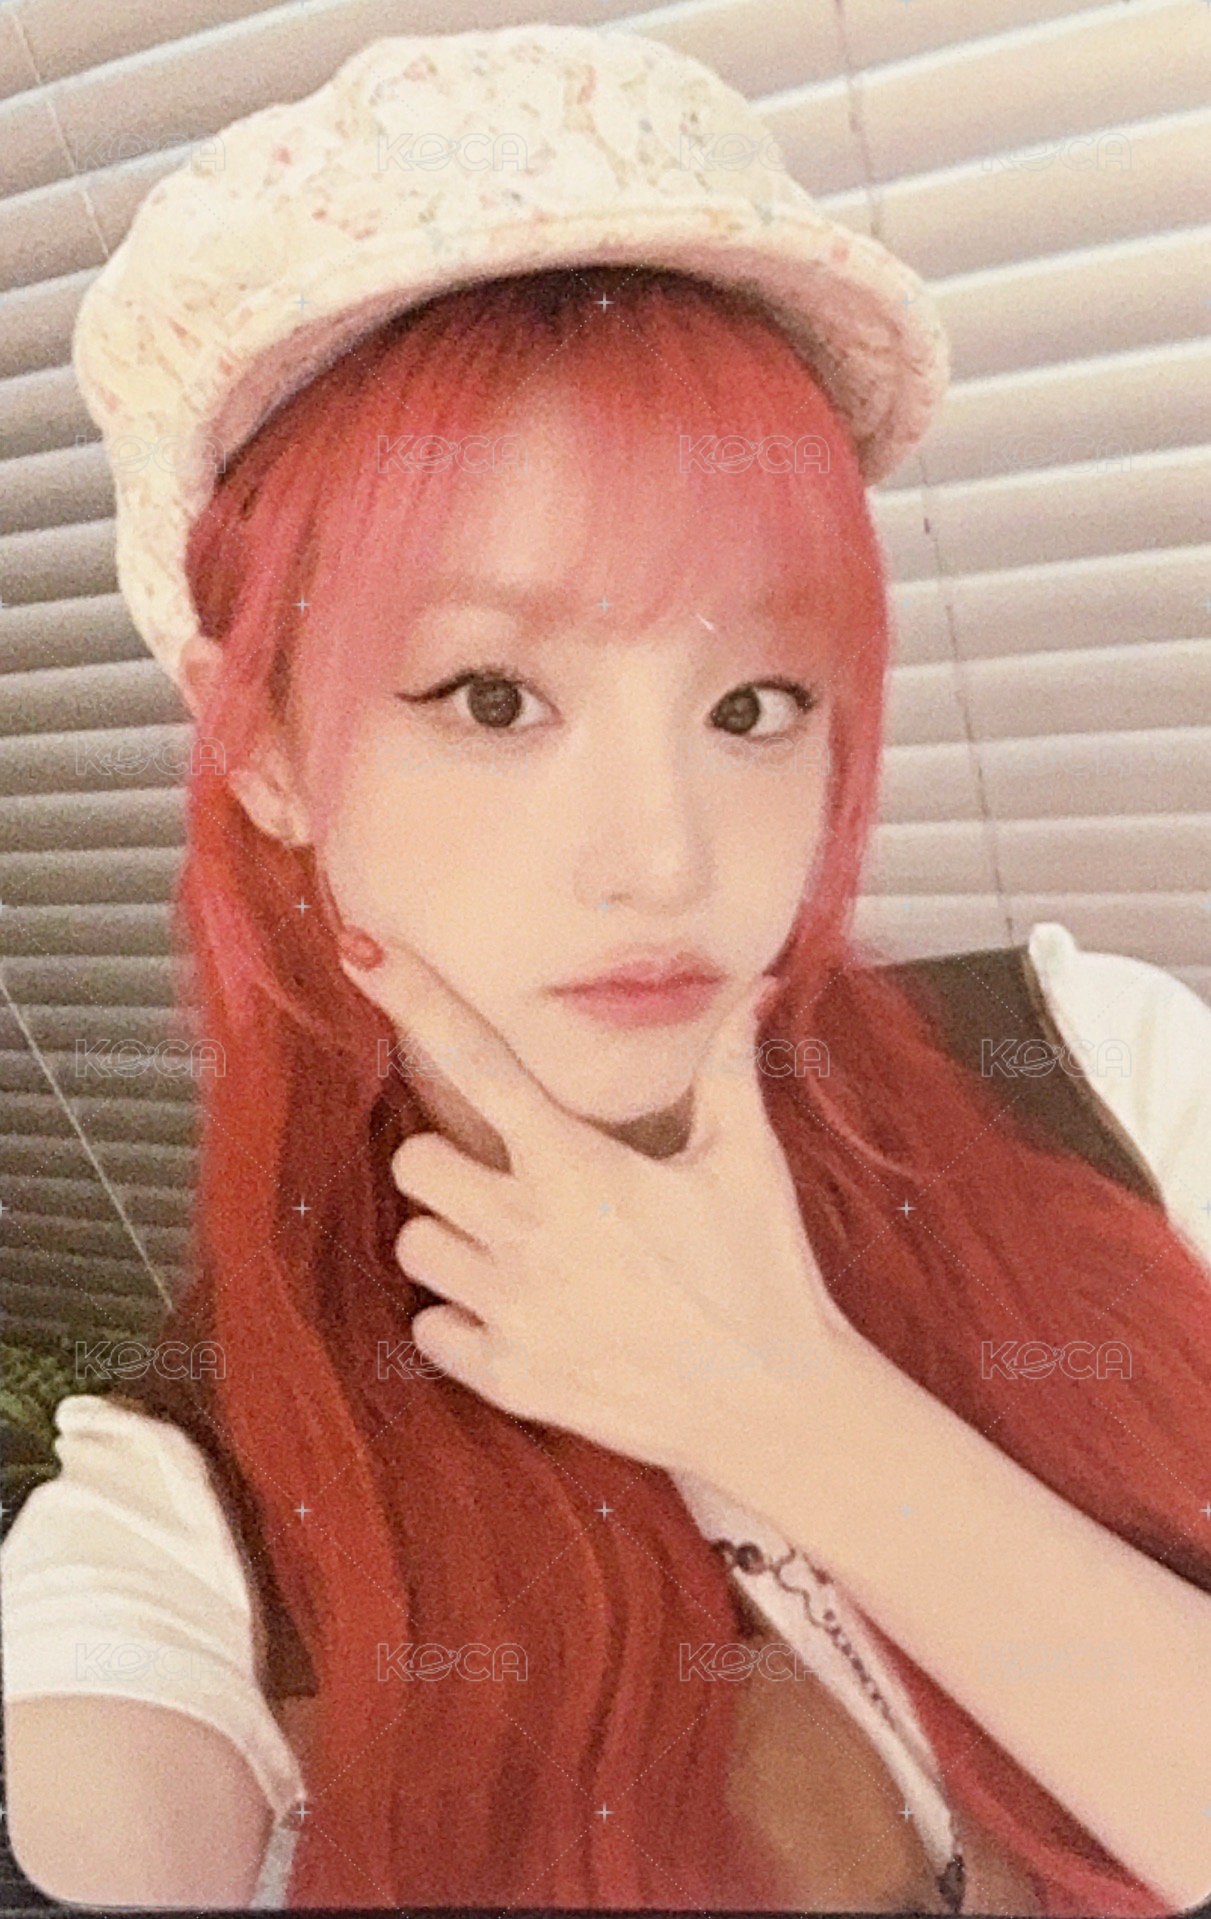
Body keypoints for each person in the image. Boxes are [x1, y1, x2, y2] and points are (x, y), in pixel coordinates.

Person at [4, 24, 1210, 1917]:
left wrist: (783, 1403)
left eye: (755, 701)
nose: (668, 858)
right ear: (269, 752)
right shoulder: (201, 1516)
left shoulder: (1101, 1071)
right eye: (494, 696)